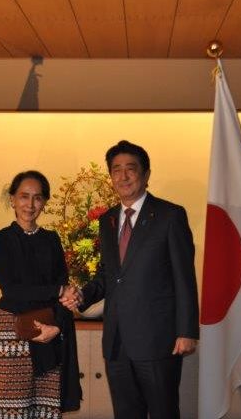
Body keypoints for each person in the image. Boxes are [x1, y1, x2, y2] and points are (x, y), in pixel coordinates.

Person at [61, 140, 199, 419]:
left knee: (163, 412)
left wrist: (187, 330)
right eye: (116, 170)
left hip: (158, 339)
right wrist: (82, 295)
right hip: (117, 340)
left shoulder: (170, 215)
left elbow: (184, 277)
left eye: (130, 169)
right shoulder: (108, 220)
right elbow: (109, 276)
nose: (123, 176)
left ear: (146, 174)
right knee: (126, 413)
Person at [0, 170, 81, 419]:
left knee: (47, 410)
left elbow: (62, 288)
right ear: (12, 200)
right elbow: (12, 290)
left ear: (44, 203)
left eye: (37, 198)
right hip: (11, 331)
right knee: (13, 410)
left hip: (48, 332)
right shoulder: (0, 239)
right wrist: (57, 290)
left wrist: (57, 327)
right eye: (24, 197)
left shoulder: (52, 239)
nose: (30, 204)